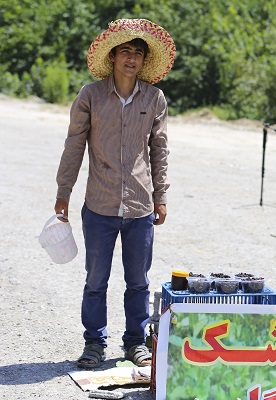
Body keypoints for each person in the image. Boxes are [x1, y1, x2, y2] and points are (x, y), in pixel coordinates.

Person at [53, 18, 176, 368]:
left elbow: (160, 149)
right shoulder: (90, 95)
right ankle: (94, 343)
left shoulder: (154, 98)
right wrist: (64, 191)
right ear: (113, 56)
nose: (132, 58)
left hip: (139, 205)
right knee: (96, 280)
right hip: (100, 204)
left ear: (143, 60)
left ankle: (135, 342)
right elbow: (74, 145)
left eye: (138, 53)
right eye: (126, 51)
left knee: (138, 281)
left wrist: (161, 196)